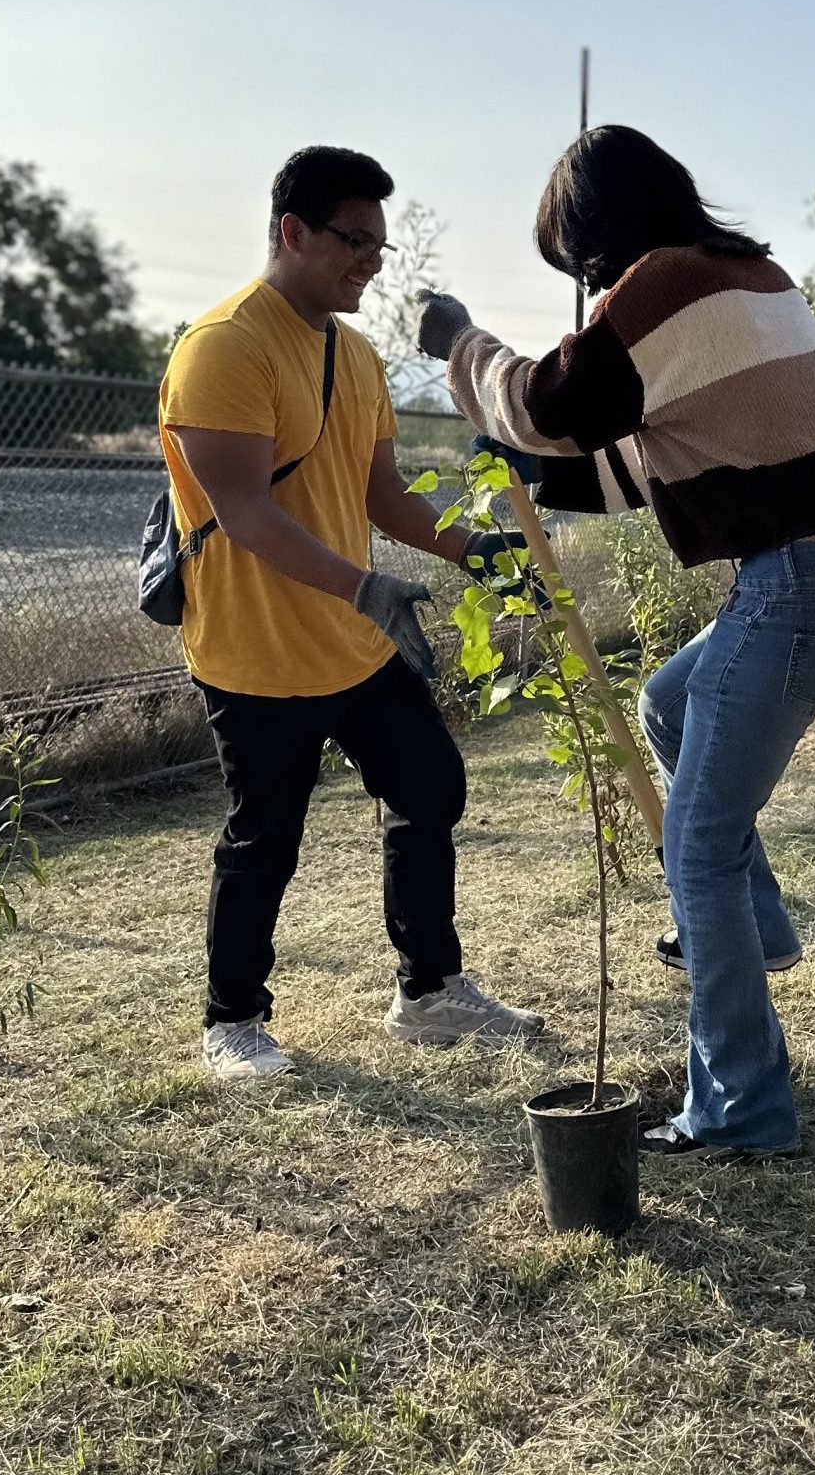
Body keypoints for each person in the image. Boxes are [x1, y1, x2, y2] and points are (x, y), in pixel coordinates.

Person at [415, 125, 815, 1158]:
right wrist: (529, 472)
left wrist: (464, 348)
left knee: (696, 853)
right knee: (669, 703)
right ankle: (757, 927)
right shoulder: (750, 279)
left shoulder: (663, 284)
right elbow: (648, 462)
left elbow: (554, 406)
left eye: (585, 264)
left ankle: (741, 1110)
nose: (593, 287)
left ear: (604, 238)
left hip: (802, 576)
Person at [160, 144, 541, 1082]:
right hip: (254, 648)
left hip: (351, 640)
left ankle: (429, 991)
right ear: (291, 231)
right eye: (353, 240)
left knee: (429, 789)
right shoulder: (223, 348)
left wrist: (470, 551)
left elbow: (385, 498)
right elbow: (242, 510)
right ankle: (233, 1021)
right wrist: (365, 586)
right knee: (265, 839)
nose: (372, 260)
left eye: (379, 243)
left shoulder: (356, 354)